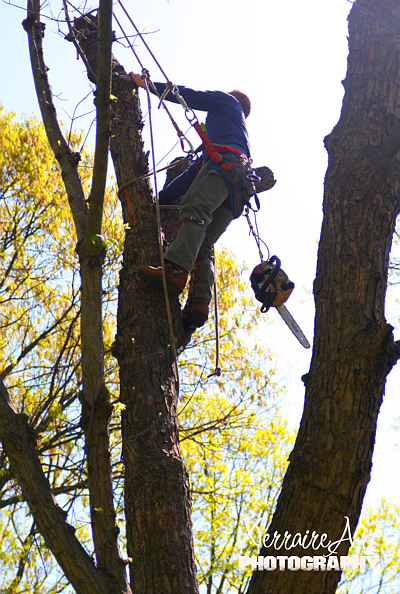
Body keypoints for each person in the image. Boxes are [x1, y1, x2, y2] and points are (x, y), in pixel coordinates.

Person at [129, 73, 252, 332]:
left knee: (194, 209)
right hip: (237, 188)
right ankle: (199, 303)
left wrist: (148, 85)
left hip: (225, 169)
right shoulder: (230, 139)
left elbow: (189, 95)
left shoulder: (227, 102)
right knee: (204, 242)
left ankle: (174, 271)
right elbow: (191, 176)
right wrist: (158, 202)